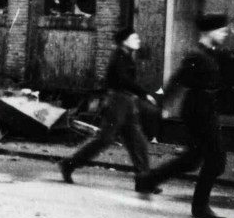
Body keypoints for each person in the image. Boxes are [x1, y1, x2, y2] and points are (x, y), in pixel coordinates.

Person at [136, 13, 230, 218]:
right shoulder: (196, 55)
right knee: (215, 161)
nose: (226, 33)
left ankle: (147, 180)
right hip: (199, 111)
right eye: (222, 30)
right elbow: (177, 80)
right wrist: (159, 102)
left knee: (192, 160)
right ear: (209, 32)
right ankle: (200, 206)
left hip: (205, 109)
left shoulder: (210, 53)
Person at [59, 27, 161, 191]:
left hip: (127, 101)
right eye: (134, 38)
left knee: (137, 141)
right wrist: (143, 93)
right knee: (105, 139)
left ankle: (143, 179)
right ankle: (69, 164)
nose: (138, 41)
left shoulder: (126, 56)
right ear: (124, 41)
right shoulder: (119, 57)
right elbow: (123, 80)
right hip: (118, 101)